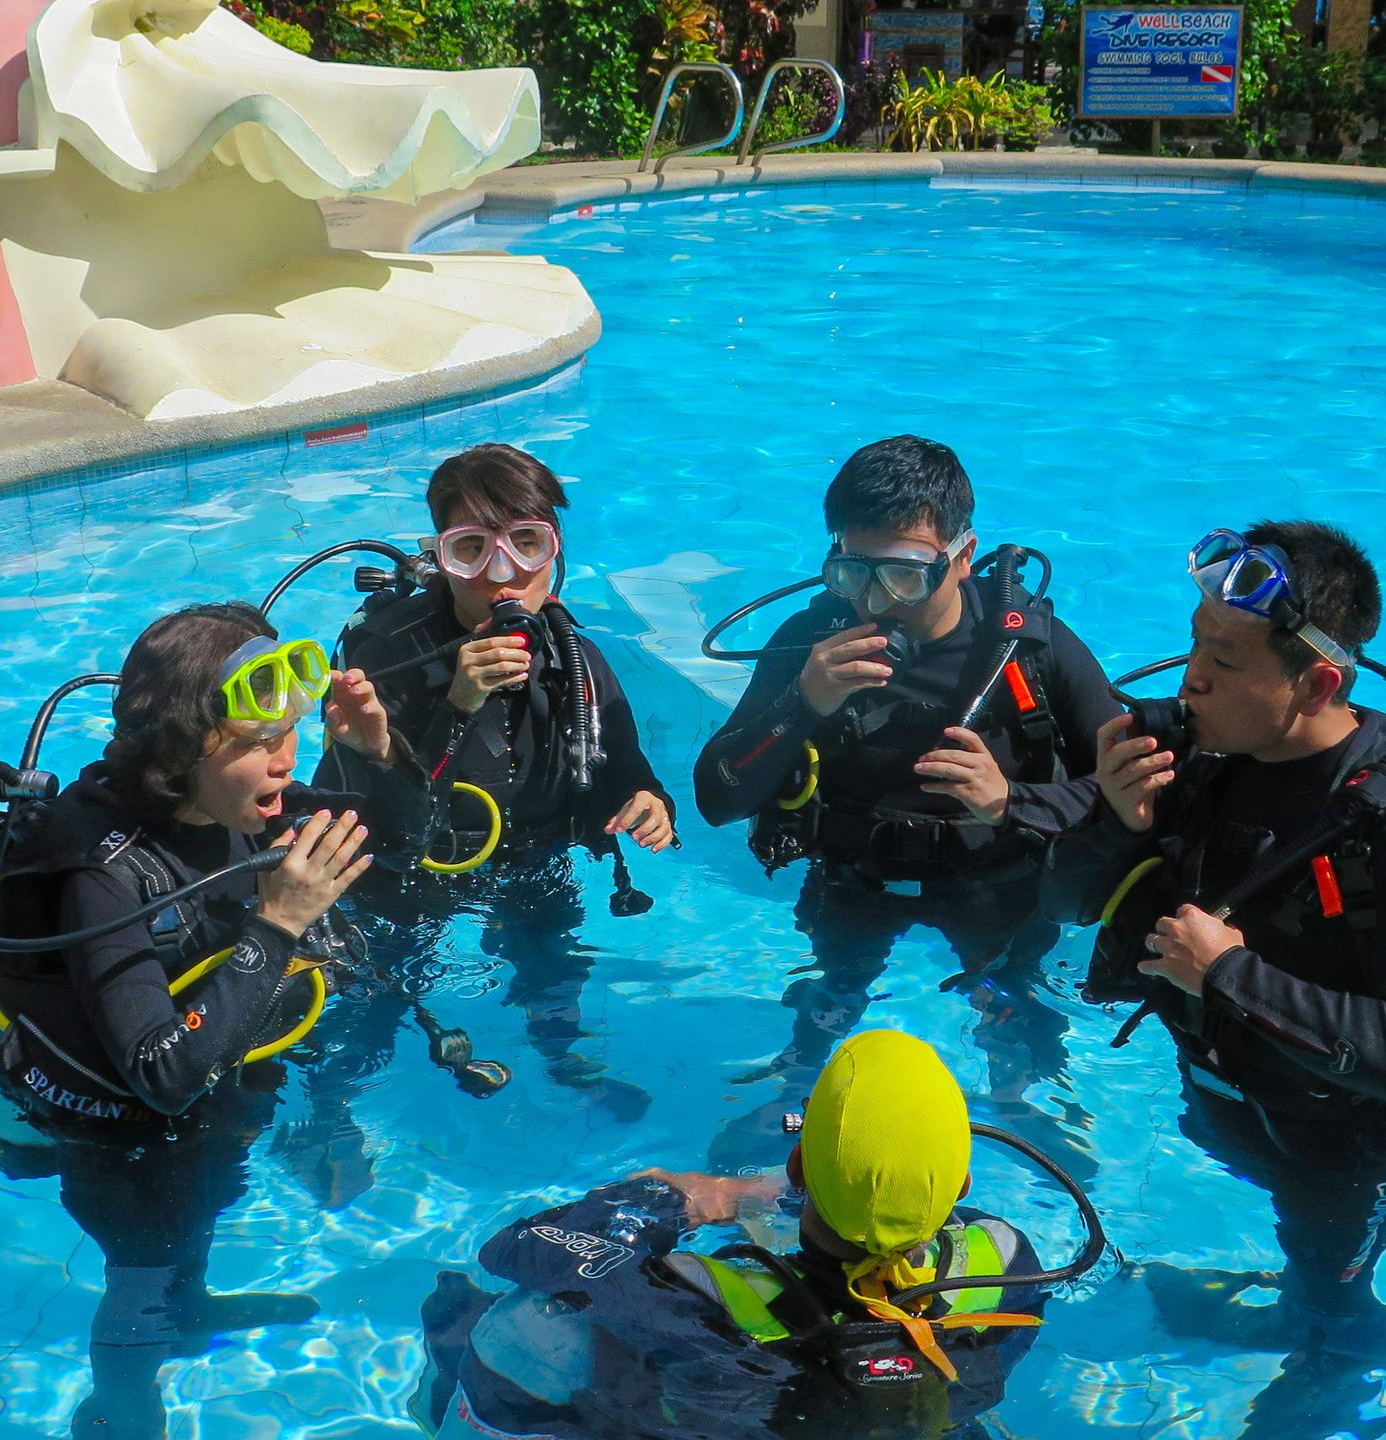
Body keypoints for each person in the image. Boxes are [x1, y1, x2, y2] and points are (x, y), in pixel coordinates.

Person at [1032, 522, 1386, 1434]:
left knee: (1332, 1289)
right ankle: (1293, 1312)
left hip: (1347, 1146)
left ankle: (1345, 1348)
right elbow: (1063, 904)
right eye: (1194, 641)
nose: (1190, 678)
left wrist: (1230, 975)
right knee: (1298, 1259)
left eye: (1225, 658)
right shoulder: (1199, 755)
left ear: (1319, 682)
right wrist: (1113, 821)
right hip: (1239, 1091)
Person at [0, 601, 432, 1438]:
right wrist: (278, 924)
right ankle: (123, 1413)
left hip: (217, 1096)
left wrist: (375, 753)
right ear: (183, 751)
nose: (286, 762)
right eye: (260, 743)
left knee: (205, 1209)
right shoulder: (98, 870)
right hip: (125, 1142)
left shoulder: (239, 807)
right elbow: (163, 1075)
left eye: (289, 733)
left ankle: (196, 1304)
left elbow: (399, 842)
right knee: (141, 1276)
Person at [691, 436, 1117, 1168]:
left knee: (1013, 1008)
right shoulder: (814, 640)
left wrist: (1011, 801)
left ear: (961, 554)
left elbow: (1134, 797)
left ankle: (1018, 1105)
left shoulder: (1032, 652)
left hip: (995, 886)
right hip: (854, 877)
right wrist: (804, 702)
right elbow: (717, 797)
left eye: (904, 575)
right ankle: (803, 1079)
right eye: (852, 570)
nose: (874, 598)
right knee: (833, 990)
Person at [417, 1030, 1049, 1440]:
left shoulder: (696, 1295)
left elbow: (519, 1247)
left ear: (797, 1167)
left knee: (504, 1317)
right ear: (961, 1185)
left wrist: (684, 1197)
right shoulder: (1010, 1260)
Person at [314, 443, 674, 1120]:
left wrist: (648, 801)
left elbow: (625, 763)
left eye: (526, 544)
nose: (501, 577)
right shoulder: (389, 651)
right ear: (442, 554)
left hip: (530, 860)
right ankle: (330, 1112)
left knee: (554, 970)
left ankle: (567, 1064)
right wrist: (456, 706)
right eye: (472, 549)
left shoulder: (574, 655)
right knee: (376, 1004)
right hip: (409, 876)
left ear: (554, 552)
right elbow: (370, 819)